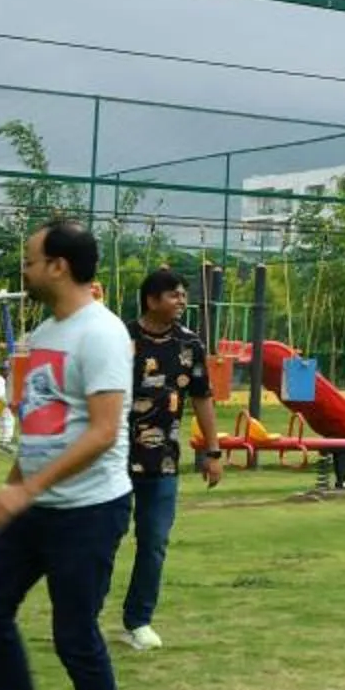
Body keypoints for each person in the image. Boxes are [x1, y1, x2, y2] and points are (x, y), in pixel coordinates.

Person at [0, 219, 141, 690]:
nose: (26, 270)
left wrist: (29, 489)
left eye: (31, 261)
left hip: (89, 510)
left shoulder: (102, 334)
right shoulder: (45, 332)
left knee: (75, 636)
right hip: (36, 506)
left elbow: (104, 431)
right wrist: (15, 488)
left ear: (59, 266)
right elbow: (41, 424)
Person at [118, 267, 222, 653]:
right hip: (114, 460)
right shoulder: (121, 339)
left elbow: (202, 399)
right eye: (174, 295)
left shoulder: (189, 344)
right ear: (151, 300)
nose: (181, 301)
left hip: (163, 463)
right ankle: (83, 615)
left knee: (154, 542)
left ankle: (138, 621)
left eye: (183, 295)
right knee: (103, 539)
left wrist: (212, 452)